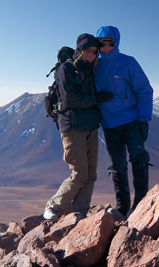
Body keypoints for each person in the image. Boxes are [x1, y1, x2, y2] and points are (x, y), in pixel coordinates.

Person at [43, 33, 113, 221]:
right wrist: (95, 100)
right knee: (79, 172)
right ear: (80, 50)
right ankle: (54, 206)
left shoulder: (91, 70)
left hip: (90, 126)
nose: (93, 55)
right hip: (72, 126)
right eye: (89, 51)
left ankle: (79, 213)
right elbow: (70, 98)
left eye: (95, 52)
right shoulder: (66, 69)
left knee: (91, 175)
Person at [94, 25, 154, 216]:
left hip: (132, 121)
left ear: (116, 43)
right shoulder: (94, 65)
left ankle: (140, 204)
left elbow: (144, 90)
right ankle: (122, 206)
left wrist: (144, 119)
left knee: (139, 160)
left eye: (109, 43)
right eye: (101, 43)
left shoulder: (128, 63)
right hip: (110, 125)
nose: (105, 47)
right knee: (117, 166)